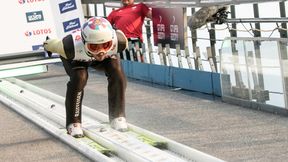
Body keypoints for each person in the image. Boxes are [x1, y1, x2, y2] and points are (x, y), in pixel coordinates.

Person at [43, 16, 129, 138]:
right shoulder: (68, 46)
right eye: (94, 46)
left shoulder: (120, 41)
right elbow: (51, 44)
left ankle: (117, 115)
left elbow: (110, 43)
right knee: (80, 77)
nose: (100, 51)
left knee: (117, 72)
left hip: (102, 58)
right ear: (84, 41)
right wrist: (46, 44)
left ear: (112, 40)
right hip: (77, 58)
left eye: (105, 44)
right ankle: (73, 122)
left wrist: (99, 49)